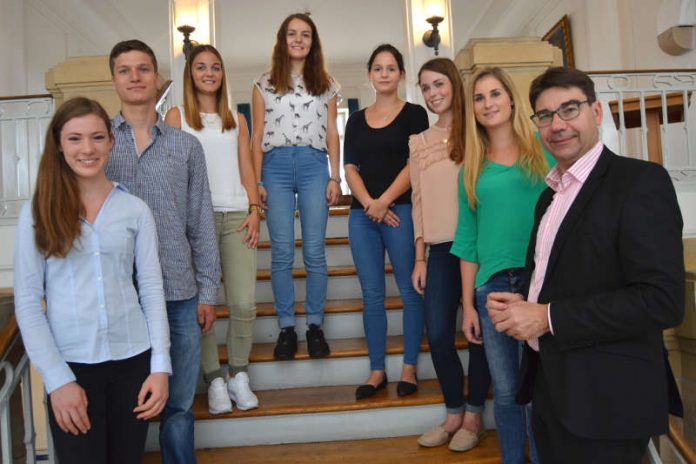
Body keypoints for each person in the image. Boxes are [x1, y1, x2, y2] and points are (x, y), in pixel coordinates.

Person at [487, 66, 684, 464]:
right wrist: (521, 302)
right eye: (545, 116)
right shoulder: (549, 196)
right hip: (551, 392)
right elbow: (563, 275)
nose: (557, 125)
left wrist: (546, 318)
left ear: (596, 112)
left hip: (608, 402)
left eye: (570, 109)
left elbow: (661, 301)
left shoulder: (640, 182)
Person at [13, 97, 171, 463]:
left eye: (98, 137)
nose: (88, 149)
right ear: (58, 144)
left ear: (111, 142)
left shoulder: (135, 209)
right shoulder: (37, 212)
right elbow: (27, 302)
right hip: (72, 367)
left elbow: (150, 290)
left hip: (133, 362)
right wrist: (57, 379)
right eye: (75, 138)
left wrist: (160, 367)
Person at [105, 40, 220, 464]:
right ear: (113, 79)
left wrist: (208, 291)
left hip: (178, 292)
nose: (134, 77)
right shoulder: (98, 143)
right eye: (124, 70)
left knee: (179, 407)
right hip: (118, 297)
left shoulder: (186, 147)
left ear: (157, 78)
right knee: (123, 406)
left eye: (143, 69)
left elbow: (201, 222)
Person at [451, 67, 552, 464]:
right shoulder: (471, 169)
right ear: (473, 109)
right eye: (479, 98)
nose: (488, 103)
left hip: (541, 283)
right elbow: (467, 242)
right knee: (507, 391)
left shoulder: (544, 153)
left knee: (542, 387)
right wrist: (468, 307)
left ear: (511, 100)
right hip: (491, 289)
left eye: (495, 94)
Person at [165, 44, 261, 415]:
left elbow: (247, 168)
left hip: (236, 215)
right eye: (201, 67)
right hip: (195, 222)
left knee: (242, 302)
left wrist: (254, 209)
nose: (209, 73)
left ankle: (238, 373)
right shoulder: (176, 117)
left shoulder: (236, 118)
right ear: (190, 73)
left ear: (223, 74)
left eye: (216, 67)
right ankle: (214, 379)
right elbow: (172, 174)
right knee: (202, 306)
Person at [410, 58, 491, 452]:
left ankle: (474, 416)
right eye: (425, 87)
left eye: (438, 84)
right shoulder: (419, 142)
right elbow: (419, 202)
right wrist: (419, 256)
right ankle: (453, 411)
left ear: (454, 84)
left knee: (477, 334)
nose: (432, 93)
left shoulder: (478, 130)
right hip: (440, 250)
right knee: (439, 333)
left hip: (478, 246)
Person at [251, 13, 341, 361]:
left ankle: (314, 325)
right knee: (282, 253)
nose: (299, 39)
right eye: (292, 34)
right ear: (282, 39)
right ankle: (287, 327)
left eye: (305, 34)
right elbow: (257, 134)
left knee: (315, 251)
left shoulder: (327, 84)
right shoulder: (263, 83)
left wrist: (335, 176)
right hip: (274, 168)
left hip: (314, 166)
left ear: (312, 41)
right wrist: (257, 181)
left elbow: (333, 131)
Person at [343, 44, 428, 400]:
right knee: (372, 295)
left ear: (401, 74)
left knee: (410, 292)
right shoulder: (356, 120)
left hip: (401, 212)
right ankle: (377, 370)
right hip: (362, 216)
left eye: (391, 68)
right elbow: (350, 167)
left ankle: (409, 366)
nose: (384, 74)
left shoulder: (414, 114)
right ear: (369, 74)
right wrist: (369, 204)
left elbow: (415, 164)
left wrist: (384, 201)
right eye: (377, 68)